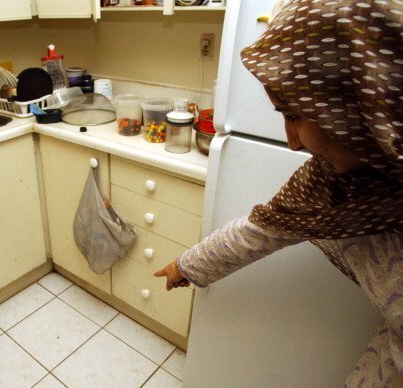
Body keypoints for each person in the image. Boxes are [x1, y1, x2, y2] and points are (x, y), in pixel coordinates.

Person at [154, 0, 403, 385]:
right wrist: (186, 266)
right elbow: (256, 232)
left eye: (294, 115)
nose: (291, 142)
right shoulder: (332, 184)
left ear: (361, 104)